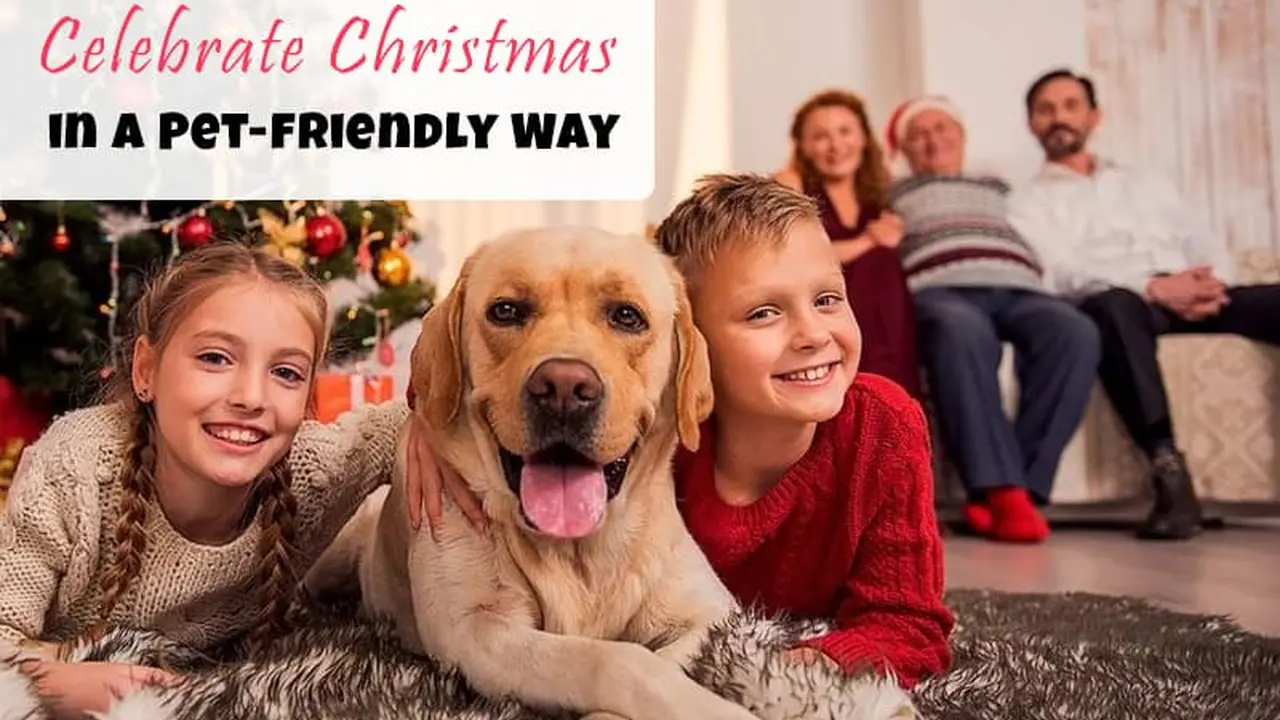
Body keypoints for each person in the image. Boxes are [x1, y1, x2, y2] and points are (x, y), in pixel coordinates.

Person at [404, 174, 954, 689]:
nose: (813, 333)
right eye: (764, 313)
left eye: (828, 298)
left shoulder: (882, 428)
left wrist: (798, 667)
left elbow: (907, 622)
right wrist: (421, 426)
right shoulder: (673, 433)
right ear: (693, 348)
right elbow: (448, 359)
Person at [0, 241, 408, 717]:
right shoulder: (76, 469)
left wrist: (421, 436)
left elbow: (414, 418)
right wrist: (57, 685)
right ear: (146, 369)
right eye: (215, 358)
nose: (251, 396)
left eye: (286, 372)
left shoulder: (311, 471)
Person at [1008, 68, 1280, 540]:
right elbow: (1059, 272)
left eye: (1071, 106)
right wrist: (1152, 287)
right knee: (1111, 306)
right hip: (1129, 304)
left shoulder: (1146, 180)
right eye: (1046, 109)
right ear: (1031, 123)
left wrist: (1211, 284)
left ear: (1095, 116)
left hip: (1198, 292)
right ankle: (1169, 474)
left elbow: (1202, 237)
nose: (1059, 118)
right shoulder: (1026, 202)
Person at [881, 95, 1101, 542]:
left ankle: (1024, 490)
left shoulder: (999, 185)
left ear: (961, 137)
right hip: (942, 288)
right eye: (918, 134)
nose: (933, 139)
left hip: (1019, 287)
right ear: (902, 150)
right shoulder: (890, 193)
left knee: (1075, 331)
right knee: (959, 331)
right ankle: (1001, 492)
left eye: (942, 128)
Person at [774, 89, 922, 399]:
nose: (836, 146)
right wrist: (869, 241)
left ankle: (893, 400)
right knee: (878, 259)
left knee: (885, 265)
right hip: (821, 306)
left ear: (864, 137)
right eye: (820, 136)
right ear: (802, 146)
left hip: (884, 319)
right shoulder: (791, 184)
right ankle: (875, 393)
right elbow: (799, 259)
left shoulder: (884, 193)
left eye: (845, 131)